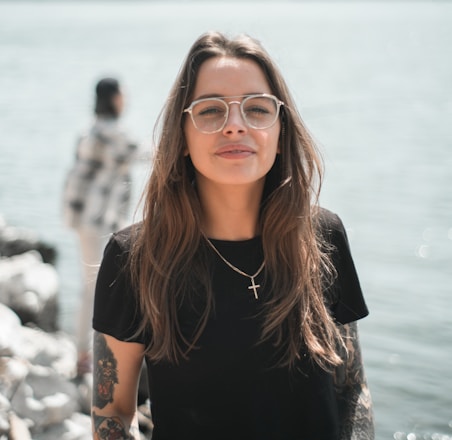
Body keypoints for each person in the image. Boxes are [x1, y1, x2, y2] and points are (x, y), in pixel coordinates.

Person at [91, 32, 375, 440]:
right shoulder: (133, 259)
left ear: (281, 133)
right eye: (210, 111)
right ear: (182, 137)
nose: (235, 126)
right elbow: (112, 413)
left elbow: (351, 388)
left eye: (258, 109)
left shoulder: (322, 238)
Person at [62, 77, 138, 377]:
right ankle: (84, 356)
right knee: (95, 286)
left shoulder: (90, 130)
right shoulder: (111, 133)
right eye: (123, 93)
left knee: (91, 284)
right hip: (98, 219)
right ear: (115, 98)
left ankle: (84, 352)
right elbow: (149, 152)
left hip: (85, 217)